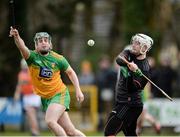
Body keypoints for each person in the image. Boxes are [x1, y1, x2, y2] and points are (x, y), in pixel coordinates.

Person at [9, 26, 85, 137]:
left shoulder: (58, 59)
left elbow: (71, 72)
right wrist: (17, 37)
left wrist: (78, 90)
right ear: (36, 45)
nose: (43, 43)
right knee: (70, 131)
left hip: (60, 94)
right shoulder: (32, 58)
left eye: (46, 40)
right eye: (40, 41)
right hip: (46, 99)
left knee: (50, 121)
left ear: (50, 44)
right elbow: (22, 47)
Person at [104, 33, 153, 136]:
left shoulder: (145, 68)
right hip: (123, 102)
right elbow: (119, 59)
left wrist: (134, 72)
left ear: (144, 48)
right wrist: (128, 64)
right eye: (134, 42)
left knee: (109, 132)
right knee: (130, 134)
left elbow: (133, 87)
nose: (134, 45)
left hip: (130, 105)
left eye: (137, 43)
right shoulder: (128, 53)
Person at [14, 59, 41, 136]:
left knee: (31, 113)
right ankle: (34, 131)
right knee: (31, 115)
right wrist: (17, 94)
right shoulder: (21, 74)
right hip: (27, 96)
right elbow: (19, 85)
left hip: (33, 95)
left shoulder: (32, 72)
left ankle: (35, 132)